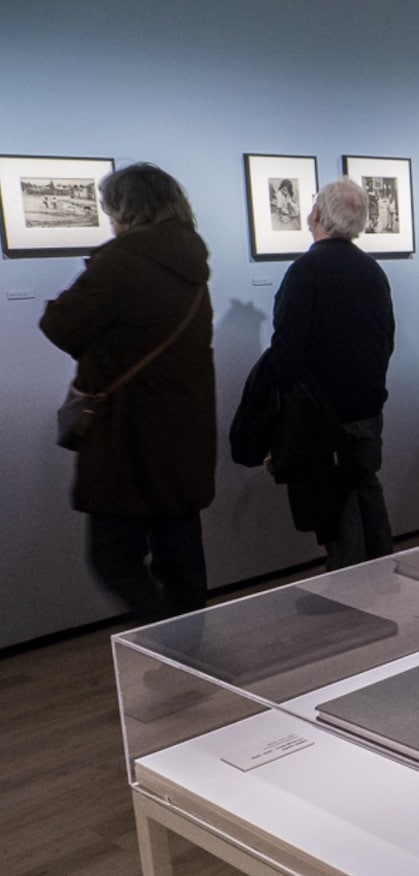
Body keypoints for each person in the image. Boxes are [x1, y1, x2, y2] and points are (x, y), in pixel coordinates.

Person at [39, 163, 215, 622]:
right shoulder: (192, 262)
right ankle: (188, 650)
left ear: (125, 208)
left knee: (112, 555)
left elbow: (58, 324)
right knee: (179, 550)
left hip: (128, 433)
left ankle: (165, 640)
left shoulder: (121, 261)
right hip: (182, 430)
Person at [266, 176, 395, 570]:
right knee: (365, 485)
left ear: (318, 213)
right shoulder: (372, 270)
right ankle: (384, 579)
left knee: (335, 503)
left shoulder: (306, 270)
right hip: (367, 407)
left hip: (323, 415)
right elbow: (385, 338)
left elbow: (286, 348)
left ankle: (352, 597)